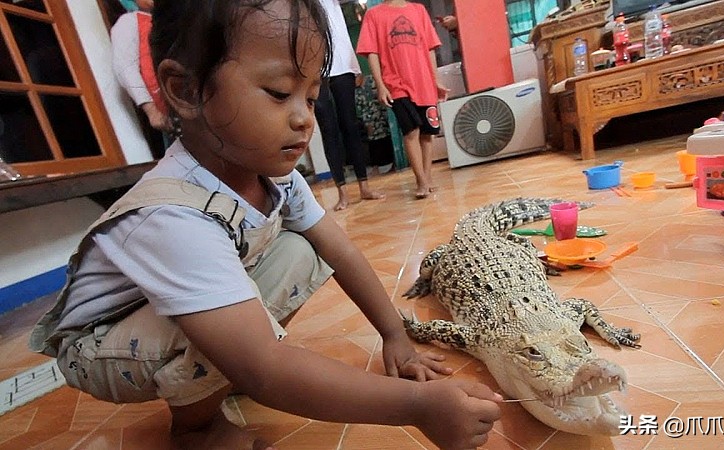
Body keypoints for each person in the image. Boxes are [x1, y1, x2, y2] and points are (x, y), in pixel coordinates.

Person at [28, 1, 502, 449]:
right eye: (279, 93)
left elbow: (343, 253)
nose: (303, 119)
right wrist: (418, 406)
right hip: (101, 349)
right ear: (185, 90)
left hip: (155, 322)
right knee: (244, 351)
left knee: (304, 248)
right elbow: (266, 369)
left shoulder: (273, 177)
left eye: (311, 97)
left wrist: (394, 334)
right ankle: (197, 428)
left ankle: (217, 371)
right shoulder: (171, 216)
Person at [356, 0, 450, 199]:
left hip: (424, 82)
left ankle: (428, 176)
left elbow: (430, 48)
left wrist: (436, 80)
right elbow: (372, 52)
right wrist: (381, 85)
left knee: (427, 133)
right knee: (411, 131)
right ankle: (421, 181)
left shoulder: (419, 11)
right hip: (396, 84)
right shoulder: (374, 15)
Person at [316, 0, 385, 211]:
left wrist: (354, 66)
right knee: (329, 131)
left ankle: (364, 187)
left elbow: (341, 31)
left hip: (343, 66)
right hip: (315, 70)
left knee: (351, 126)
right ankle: (342, 193)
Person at [110, 0, 171, 134]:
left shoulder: (176, 20)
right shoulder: (129, 22)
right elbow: (126, 68)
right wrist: (151, 111)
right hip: (169, 108)